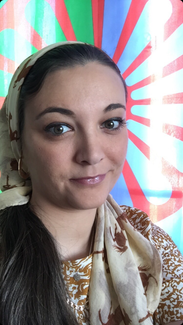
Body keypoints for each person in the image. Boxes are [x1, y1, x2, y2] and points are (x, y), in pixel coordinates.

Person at [0, 41, 182, 325]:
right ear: (18, 141)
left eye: (110, 123)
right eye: (59, 128)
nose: (93, 154)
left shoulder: (151, 246)